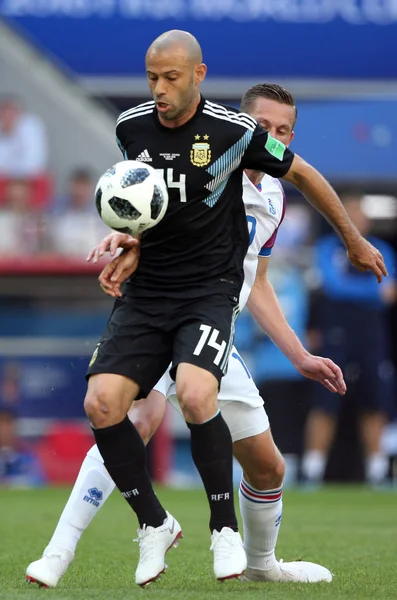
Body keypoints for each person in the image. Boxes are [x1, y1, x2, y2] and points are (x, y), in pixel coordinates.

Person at [27, 29, 386, 589]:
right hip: (169, 310)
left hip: (216, 323)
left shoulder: (272, 198)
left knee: (268, 466)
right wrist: (128, 243)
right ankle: (61, 549)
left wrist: (299, 354)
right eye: (265, 127)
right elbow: (147, 216)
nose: (273, 138)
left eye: (284, 131)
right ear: (244, 122)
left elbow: (256, 284)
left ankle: (263, 564)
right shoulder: (196, 156)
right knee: (129, 414)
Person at [302, 194, 396, 486]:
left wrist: (358, 291)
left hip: (370, 331)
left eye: (359, 216)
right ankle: (312, 470)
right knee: (325, 399)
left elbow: (389, 293)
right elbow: (332, 286)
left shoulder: (381, 249)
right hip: (336, 329)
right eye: (349, 215)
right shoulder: (327, 248)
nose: (355, 222)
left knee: (374, 398)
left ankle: (377, 470)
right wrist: (369, 291)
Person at [0, 96, 48, 179]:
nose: (7, 116)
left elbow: (34, 164)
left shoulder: (30, 125)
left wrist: (10, 172)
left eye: (11, 111)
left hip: (29, 180)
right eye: (3, 112)